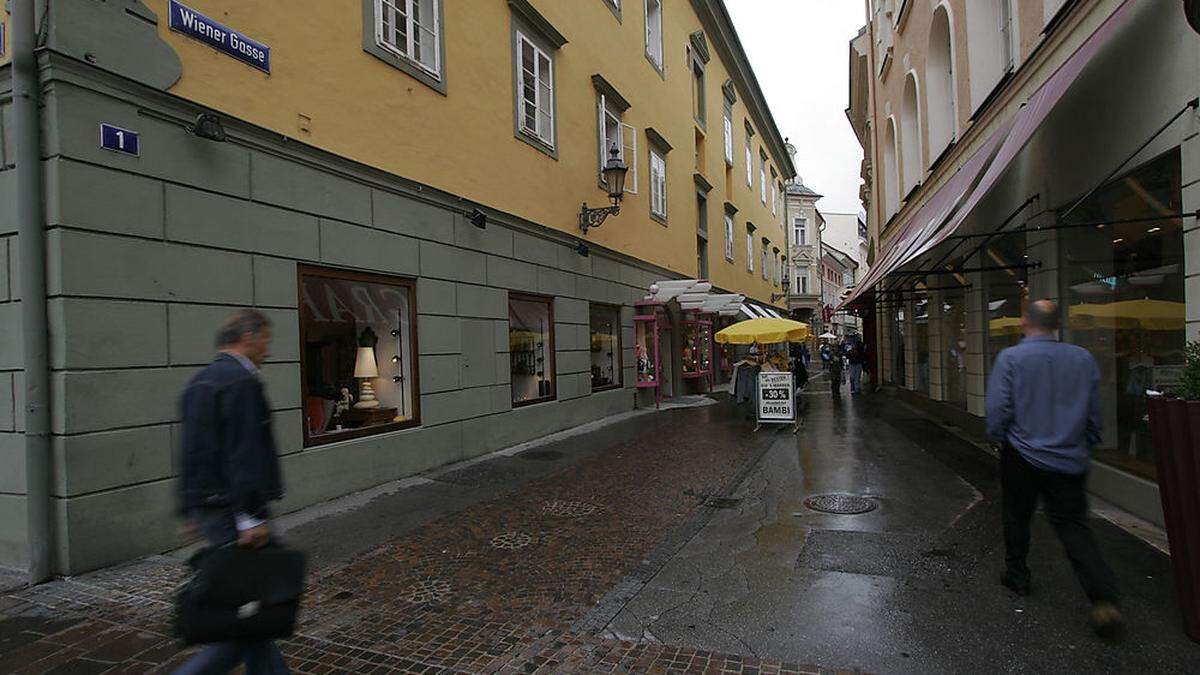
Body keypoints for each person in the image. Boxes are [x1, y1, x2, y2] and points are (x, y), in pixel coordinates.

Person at [985, 300, 1122, 639]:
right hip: (1068, 458)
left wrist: (998, 437)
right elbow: (1094, 412)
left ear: (1025, 322)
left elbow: (999, 409)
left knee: (1017, 516)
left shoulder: (1011, 359)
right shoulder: (1081, 358)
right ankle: (1103, 599)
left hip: (1021, 454)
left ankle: (1018, 576)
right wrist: (1086, 442)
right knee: (1074, 527)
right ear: (1056, 324)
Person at [176, 310, 289, 674]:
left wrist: (190, 509)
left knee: (255, 603)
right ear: (249, 336)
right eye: (266, 341)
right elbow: (244, 454)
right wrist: (251, 516)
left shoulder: (200, 381)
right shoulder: (241, 382)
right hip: (234, 511)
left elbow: (192, 451)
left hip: (210, 508)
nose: (268, 350)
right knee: (251, 613)